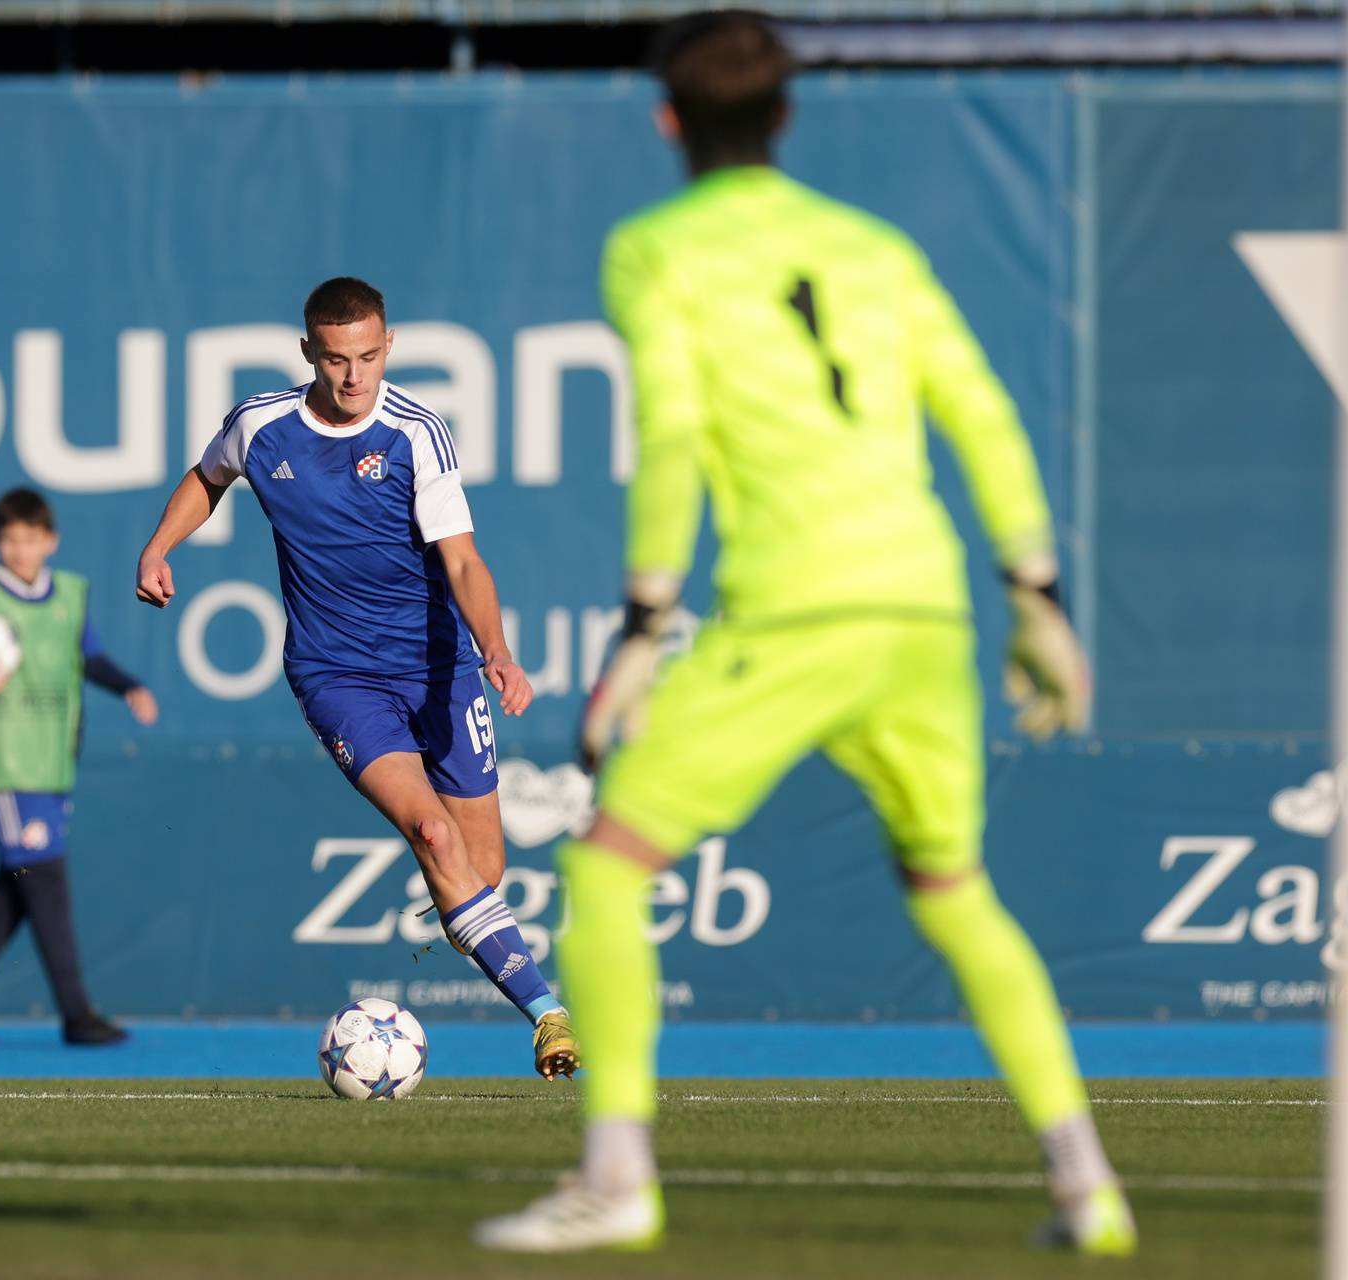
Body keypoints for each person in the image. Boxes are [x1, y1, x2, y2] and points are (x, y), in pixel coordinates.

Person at [476, 11, 1136, 1256]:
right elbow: (983, 413)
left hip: (794, 607)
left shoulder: (653, 250)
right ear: (785, 116)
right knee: (955, 892)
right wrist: (1036, 594)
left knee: (607, 868)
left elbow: (672, 434)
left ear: (668, 120)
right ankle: (1088, 1185)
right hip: (925, 604)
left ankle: (617, 1177)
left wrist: (640, 627)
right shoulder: (874, 248)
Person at [135, 277, 578, 1079]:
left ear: (389, 346)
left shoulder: (417, 434)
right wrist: (160, 545)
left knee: (482, 875)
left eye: (369, 357)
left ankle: (459, 907)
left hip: (439, 668)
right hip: (336, 673)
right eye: (337, 359)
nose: (353, 378)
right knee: (434, 835)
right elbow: (207, 478)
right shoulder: (261, 425)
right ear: (309, 352)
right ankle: (549, 1016)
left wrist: (499, 650)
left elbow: (464, 561)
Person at [0, 487, 157, 1047]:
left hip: (51, 760)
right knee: (44, 877)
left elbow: (89, 657)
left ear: (49, 541)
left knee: (19, 883)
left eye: (30, 539)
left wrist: (129, 687)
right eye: (9, 539)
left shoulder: (70, 594)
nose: (19, 550)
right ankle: (77, 1014)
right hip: (2, 759)